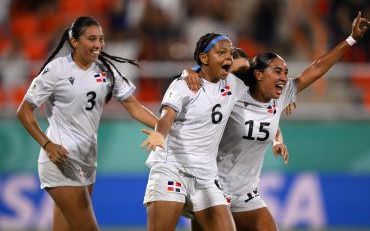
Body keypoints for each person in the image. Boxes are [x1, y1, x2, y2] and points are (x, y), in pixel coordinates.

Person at [185, 12, 369, 231]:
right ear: (259, 75)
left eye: (286, 73)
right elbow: (211, 74)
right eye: (278, 71)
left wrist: (351, 40)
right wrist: (191, 71)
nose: (284, 77)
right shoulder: (232, 94)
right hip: (213, 190)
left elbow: (317, 68)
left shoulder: (281, 97)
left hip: (245, 194)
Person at [16, 16, 158, 231]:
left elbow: (133, 105)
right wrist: (47, 144)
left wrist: (163, 127)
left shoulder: (106, 69)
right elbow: (24, 111)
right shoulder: (57, 70)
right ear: (74, 41)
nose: (98, 45)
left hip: (87, 159)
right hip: (61, 158)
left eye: (101, 39)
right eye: (92, 39)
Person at [140, 33, 250, 231]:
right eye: (221, 52)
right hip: (172, 168)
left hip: (206, 176)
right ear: (204, 57)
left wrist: (199, 67)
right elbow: (167, 117)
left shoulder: (233, 84)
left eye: (230, 53)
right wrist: (160, 134)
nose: (228, 57)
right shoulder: (183, 85)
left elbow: (246, 64)